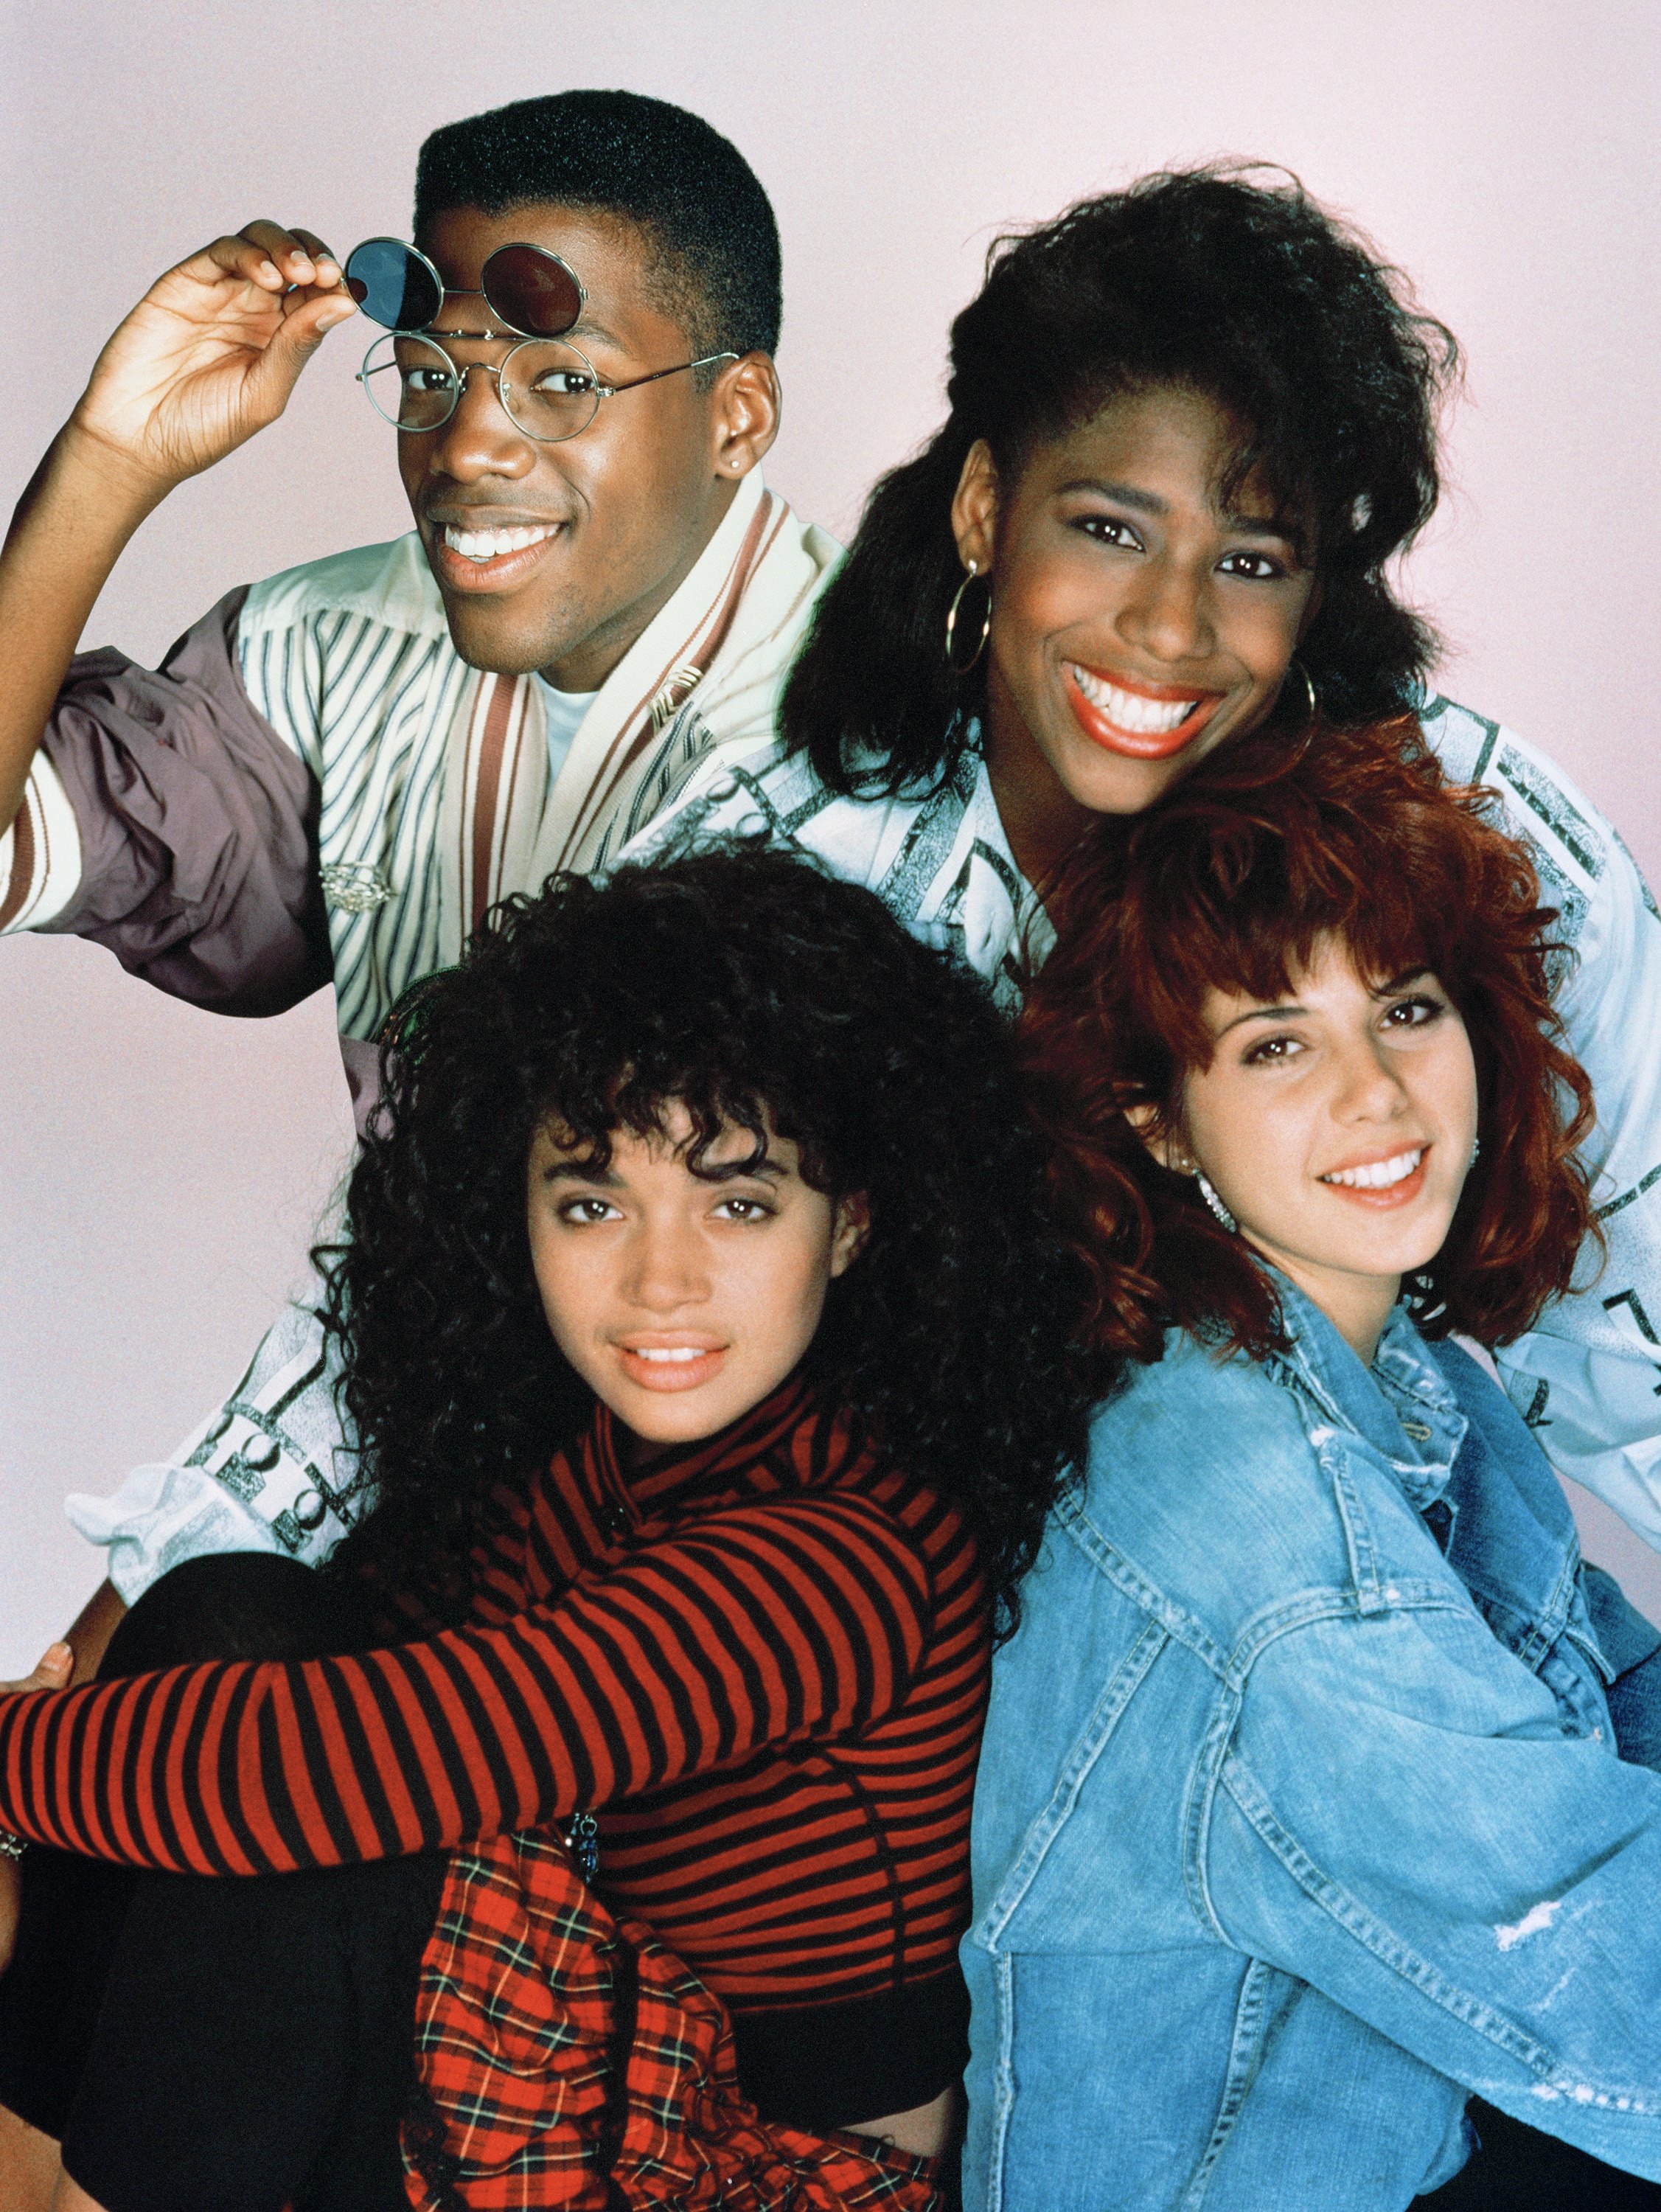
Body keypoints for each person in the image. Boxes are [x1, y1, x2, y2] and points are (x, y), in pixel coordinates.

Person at [0, 848, 1098, 2212]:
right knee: (229, 1621)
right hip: (581, 2071)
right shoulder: (585, 1463)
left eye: (738, 1200)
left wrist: (11, 1752)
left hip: (742, 2171)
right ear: (510, 1215)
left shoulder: (845, 1549)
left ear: (853, 1223)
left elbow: (319, 1769)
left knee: (281, 1775)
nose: (660, 1279)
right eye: (592, 1202)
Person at [647, 167, 1661, 1551]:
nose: (1171, 627)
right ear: (985, 510)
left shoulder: (1469, 839)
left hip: (1362, 1601)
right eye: (1109, 530)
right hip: (914, 1653)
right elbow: (500, 1297)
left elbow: (1635, 1325)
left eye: (1250, 561)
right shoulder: (776, 876)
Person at [0, 83, 835, 1677]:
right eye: (433, 373)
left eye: (561, 379)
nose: (467, 446)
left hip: (746, 1590)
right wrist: (109, 462)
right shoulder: (332, 641)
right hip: (418, 1501)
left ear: (735, 416)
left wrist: (121, 1632)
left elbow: (463, 1252)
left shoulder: (858, 744)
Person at [961, 726, 1661, 2208]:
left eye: (1401, 1008)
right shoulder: (1248, 1505)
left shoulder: (1394, 1378)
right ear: (1156, 1119)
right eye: (1273, 1043)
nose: (1374, 1094)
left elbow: (1618, 1702)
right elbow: (1600, 1962)